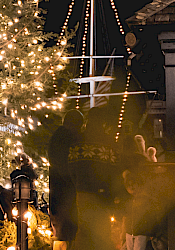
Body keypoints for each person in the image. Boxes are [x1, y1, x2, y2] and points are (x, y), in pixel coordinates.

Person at [68, 106, 121, 250]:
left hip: (82, 192)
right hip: (102, 195)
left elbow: (71, 167)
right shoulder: (108, 141)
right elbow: (115, 168)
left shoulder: (78, 139)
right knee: (102, 234)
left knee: (83, 232)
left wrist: (77, 183)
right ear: (103, 121)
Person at [48, 109, 84, 250]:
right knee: (67, 230)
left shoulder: (56, 138)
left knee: (60, 231)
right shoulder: (70, 139)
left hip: (57, 191)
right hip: (67, 191)